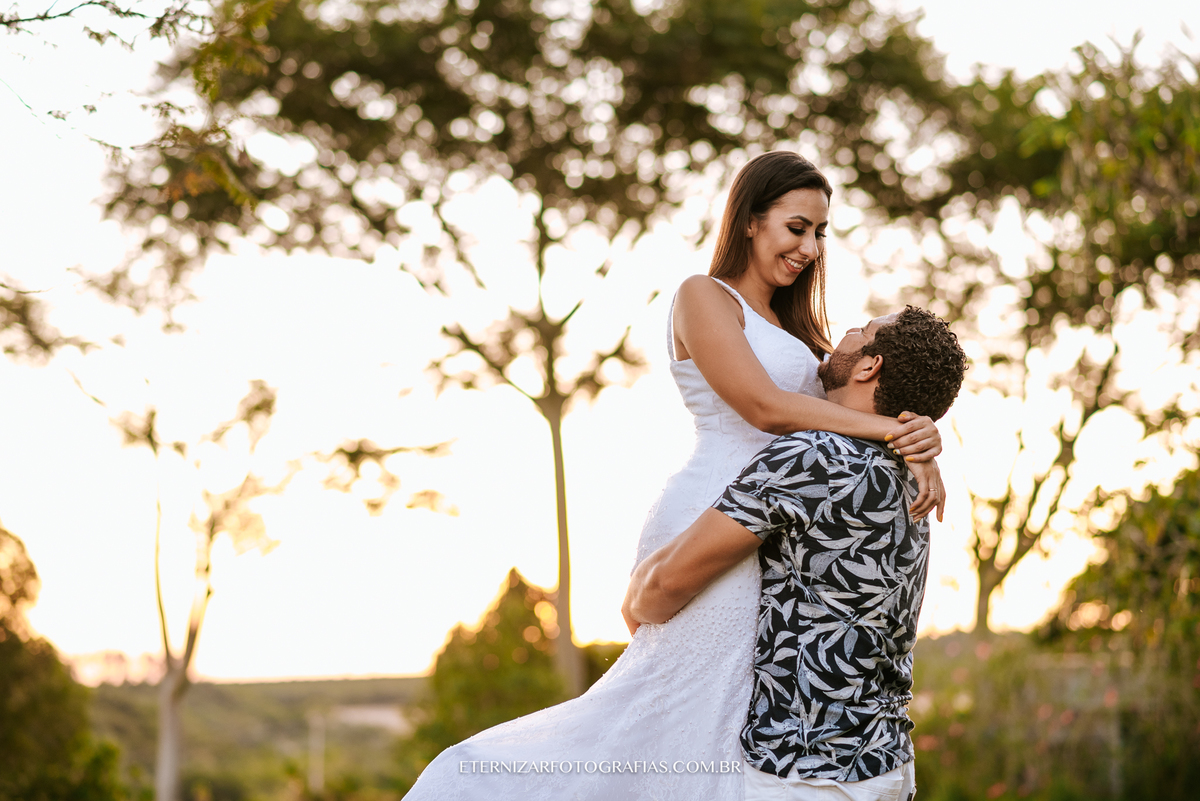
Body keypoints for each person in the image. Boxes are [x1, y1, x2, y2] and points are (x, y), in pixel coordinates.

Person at [404, 152, 945, 800]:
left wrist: (920, 441)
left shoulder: (808, 336)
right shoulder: (702, 296)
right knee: (672, 698)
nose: (810, 247)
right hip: (717, 503)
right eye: (796, 226)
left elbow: (871, 391)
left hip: (790, 526)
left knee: (738, 702)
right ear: (750, 219)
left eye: (821, 232)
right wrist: (894, 434)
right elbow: (765, 407)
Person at [623, 306, 968, 801]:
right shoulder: (907, 468)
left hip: (808, 773)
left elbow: (663, 587)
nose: (842, 335)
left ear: (869, 365)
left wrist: (635, 595)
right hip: (889, 765)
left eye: (862, 330)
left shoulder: (813, 457)